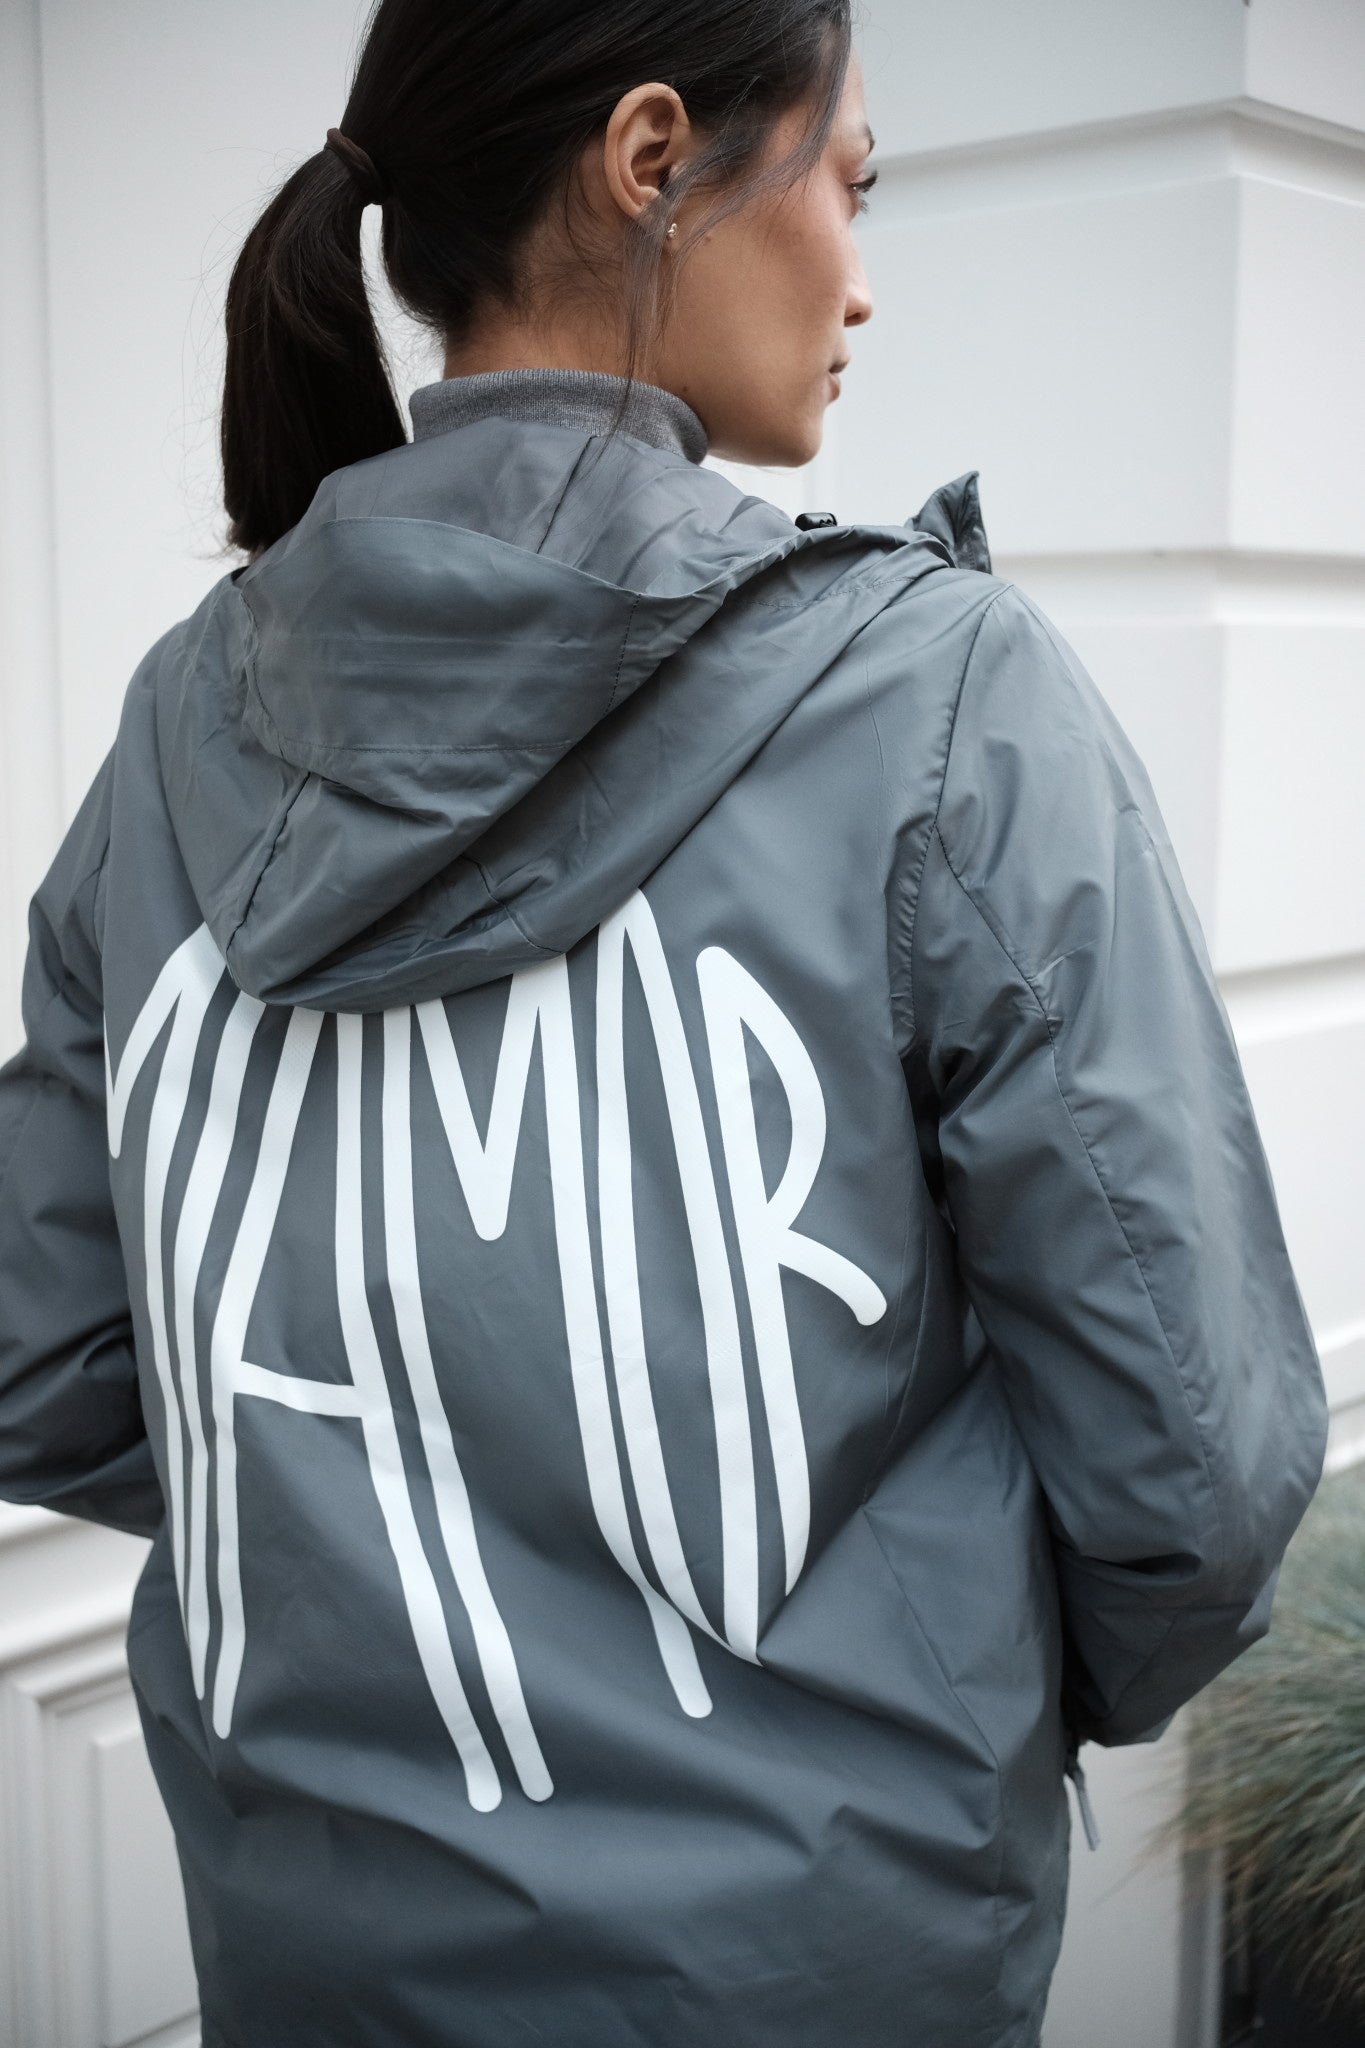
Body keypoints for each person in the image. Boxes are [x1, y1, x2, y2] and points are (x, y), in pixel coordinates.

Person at [0, 3, 1328, 2044]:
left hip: (319, 1963)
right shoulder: (939, 703)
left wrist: (372, 1556)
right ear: (649, 160)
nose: (859, 278)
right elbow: (1196, 1476)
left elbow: (46, 1357)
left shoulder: (183, 721)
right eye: (846, 182)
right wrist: (919, 1690)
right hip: (822, 1965)